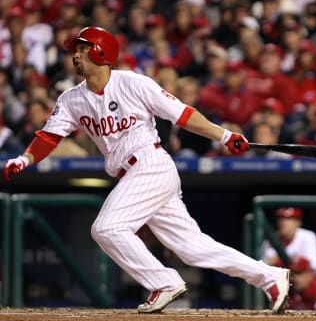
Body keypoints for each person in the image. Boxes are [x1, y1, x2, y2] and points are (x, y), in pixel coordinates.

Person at [2, 26, 290, 314]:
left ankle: (163, 282)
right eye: (75, 49)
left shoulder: (134, 84)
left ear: (101, 51)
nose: (75, 55)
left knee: (107, 228)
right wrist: (25, 159)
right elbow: (49, 137)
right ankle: (270, 276)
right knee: (192, 248)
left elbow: (182, 114)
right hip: (133, 174)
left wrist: (223, 135)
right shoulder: (71, 99)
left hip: (149, 164)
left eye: (82, 47)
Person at [262, 207, 316, 273]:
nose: (282, 222)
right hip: (276, 280)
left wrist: (277, 262)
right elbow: (262, 271)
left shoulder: (307, 237)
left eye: (288, 218)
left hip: (301, 281)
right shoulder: (270, 240)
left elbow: (313, 269)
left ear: (298, 222)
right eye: (280, 218)